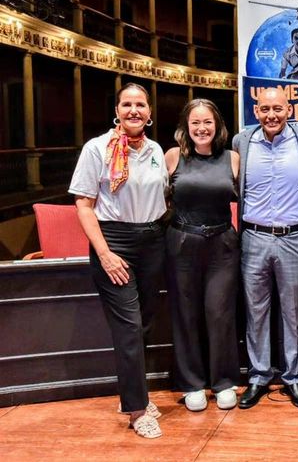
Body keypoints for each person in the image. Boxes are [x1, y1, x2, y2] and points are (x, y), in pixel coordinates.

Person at [69, 83, 167, 439]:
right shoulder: (97, 149)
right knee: (127, 328)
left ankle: (132, 391)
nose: (134, 111)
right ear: (117, 109)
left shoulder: (155, 150)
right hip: (115, 242)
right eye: (127, 104)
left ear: (150, 112)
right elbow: (83, 204)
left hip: (152, 240)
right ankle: (137, 409)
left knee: (142, 324)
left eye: (140, 104)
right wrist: (105, 253)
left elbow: (163, 197)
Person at [232, 87, 298, 410]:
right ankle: (257, 376)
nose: (271, 115)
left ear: (289, 110)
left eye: (278, 109)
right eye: (265, 109)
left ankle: (294, 378)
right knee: (255, 312)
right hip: (253, 237)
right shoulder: (241, 142)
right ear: (255, 111)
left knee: (294, 313)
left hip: (295, 238)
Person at [164, 98, 240, 412]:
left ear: (217, 125)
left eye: (207, 122)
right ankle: (192, 383)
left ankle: (223, 382)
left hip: (222, 243)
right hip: (182, 241)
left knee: (219, 313)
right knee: (186, 314)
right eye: (195, 122)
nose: (201, 128)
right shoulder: (171, 157)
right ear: (186, 127)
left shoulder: (233, 158)